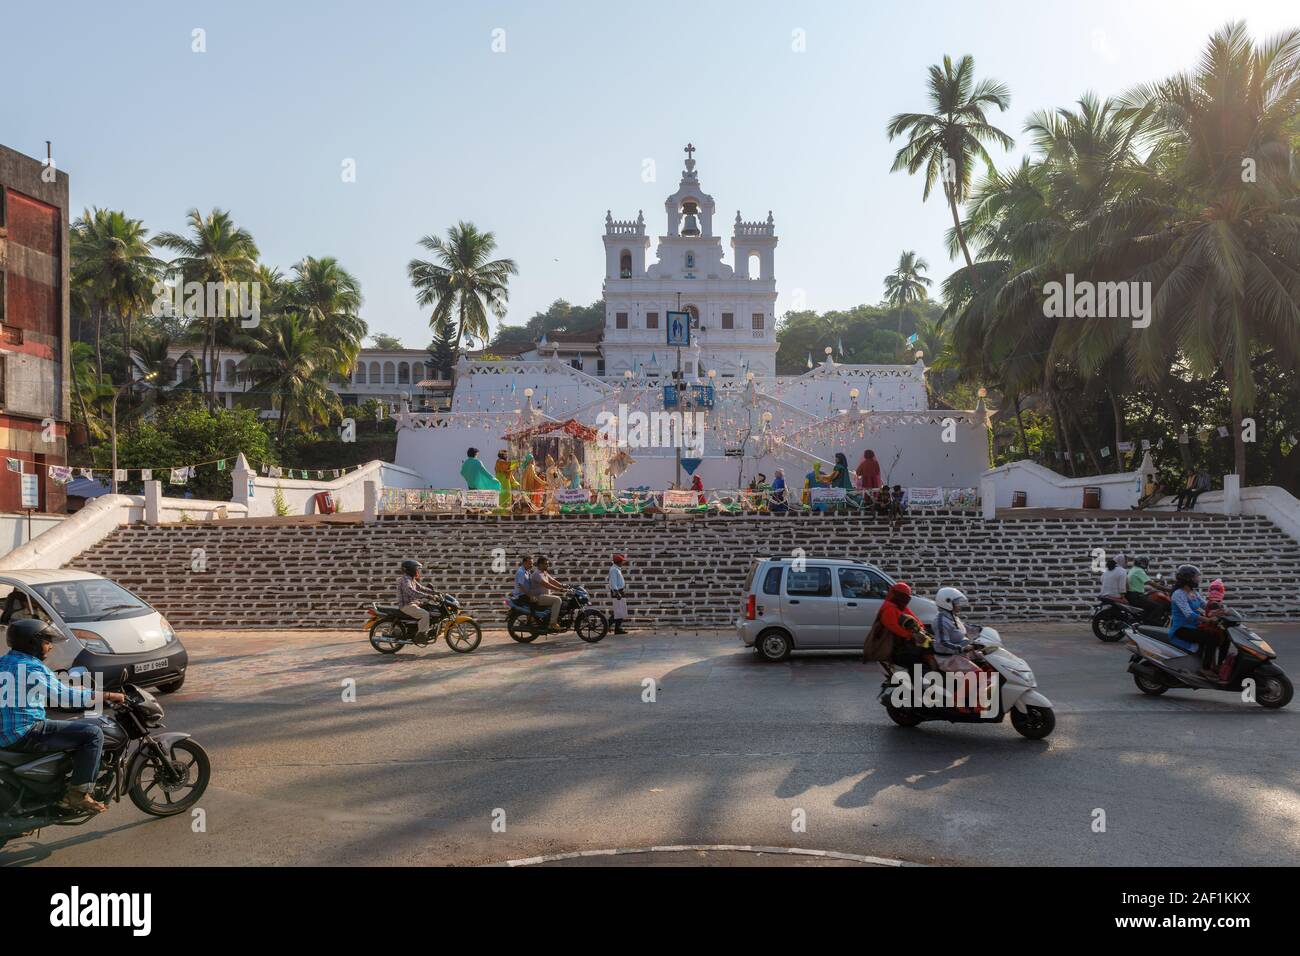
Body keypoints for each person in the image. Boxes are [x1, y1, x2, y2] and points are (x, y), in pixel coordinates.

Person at [0, 619, 125, 814]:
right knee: (92, 733)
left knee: (66, 726)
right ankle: (78, 794)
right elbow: (65, 697)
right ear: (32, 643)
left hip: (5, 733)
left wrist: (79, 690)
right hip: (25, 733)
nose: (50, 646)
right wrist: (108, 695)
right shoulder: (33, 668)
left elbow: (51, 690)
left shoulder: (4, 662)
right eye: (47, 641)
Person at [1167, 563, 1218, 675]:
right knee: (1211, 638)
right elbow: (1189, 614)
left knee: (1218, 635)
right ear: (1188, 579)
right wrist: (1208, 620)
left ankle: (1211, 664)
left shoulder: (1193, 593)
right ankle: (1205, 668)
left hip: (1193, 626)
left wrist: (1220, 609)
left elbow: (1205, 605)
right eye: (1195, 577)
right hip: (1181, 628)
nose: (1198, 579)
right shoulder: (1178, 594)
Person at [876, 582, 932, 670]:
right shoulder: (888, 609)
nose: (906, 600)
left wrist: (921, 630)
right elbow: (895, 629)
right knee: (915, 662)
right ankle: (918, 681)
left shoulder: (899, 606)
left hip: (904, 642)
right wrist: (912, 635)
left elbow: (916, 620)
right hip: (894, 647)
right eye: (904, 597)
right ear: (898, 596)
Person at [397, 559, 439, 637]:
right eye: (416, 569)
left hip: (413, 603)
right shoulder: (405, 580)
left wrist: (435, 592)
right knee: (425, 614)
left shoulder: (411, 578)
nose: (417, 571)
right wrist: (427, 596)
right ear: (411, 569)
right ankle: (421, 635)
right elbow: (411, 591)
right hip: (407, 605)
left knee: (429, 607)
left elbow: (421, 588)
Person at [527, 555, 565, 632]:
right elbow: (546, 584)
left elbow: (552, 581)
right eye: (545, 564)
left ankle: (552, 619)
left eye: (547, 564)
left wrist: (564, 585)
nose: (547, 565)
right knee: (557, 600)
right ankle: (552, 623)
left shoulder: (544, 572)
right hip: (538, 597)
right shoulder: (537, 574)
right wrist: (559, 589)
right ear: (540, 564)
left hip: (544, 596)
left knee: (564, 600)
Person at [608, 554, 629, 635]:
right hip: (617, 592)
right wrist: (617, 593)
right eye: (621, 561)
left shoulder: (617, 569)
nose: (622, 563)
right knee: (618, 611)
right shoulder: (614, 569)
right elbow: (613, 582)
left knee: (621, 611)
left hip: (620, 591)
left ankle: (617, 628)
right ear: (618, 562)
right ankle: (607, 626)